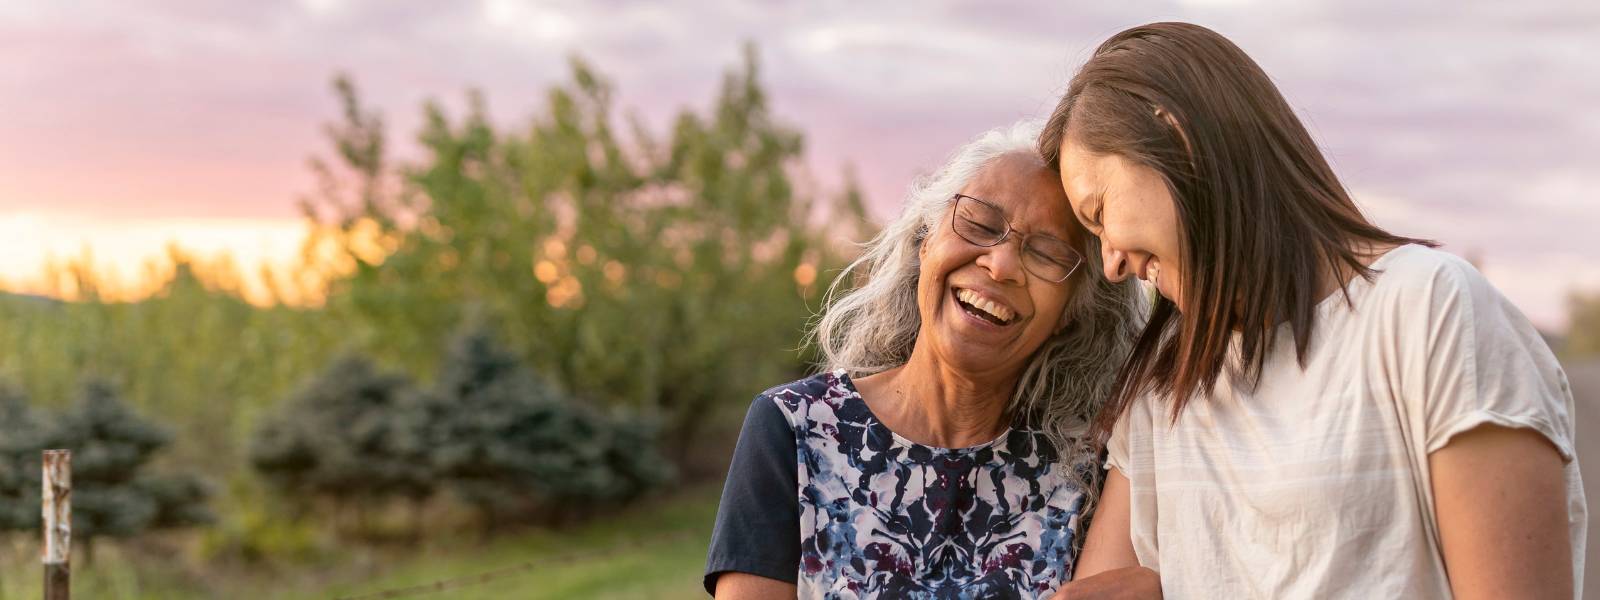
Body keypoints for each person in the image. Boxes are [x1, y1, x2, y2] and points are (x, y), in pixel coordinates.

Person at [1042, 22, 1586, 599]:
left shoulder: (1429, 313)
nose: (1111, 264)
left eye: (1099, 212)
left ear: (1175, 137)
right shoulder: (1163, 388)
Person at [702, 120, 1143, 599]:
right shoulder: (794, 429)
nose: (1001, 265)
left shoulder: (1091, 465)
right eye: (979, 224)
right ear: (925, 241)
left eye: (1047, 254)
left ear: (1071, 312)